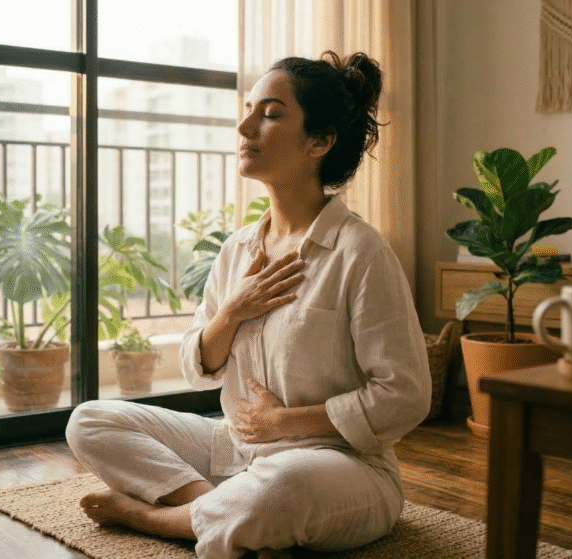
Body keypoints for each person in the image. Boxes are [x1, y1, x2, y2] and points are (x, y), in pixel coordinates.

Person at [65, 51, 430, 559]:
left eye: (271, 113)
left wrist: (284, 423)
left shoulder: (359, 252)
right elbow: (200, 368)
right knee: (89, 420)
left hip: (338, 466)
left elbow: (405, 396)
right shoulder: (237, 250)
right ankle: (214, 508)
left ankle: (152, 517)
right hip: (237, 449)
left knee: (284, 487)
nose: (245, 125)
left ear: (320, 143)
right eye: (249, 108)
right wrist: (232, 310)